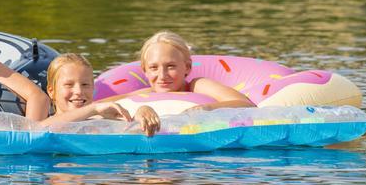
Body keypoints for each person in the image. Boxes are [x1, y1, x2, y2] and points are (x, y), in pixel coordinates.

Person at [104, 31, 255, 112]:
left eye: (171, 66)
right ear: (145, 71)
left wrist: (205, 108)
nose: (162, 76)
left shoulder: (198, 86)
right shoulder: (145, 95)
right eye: (154, 68)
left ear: (187, 68)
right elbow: (96, 106)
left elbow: (246, 104)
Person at [41, 53, 161, 136]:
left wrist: (143, 111)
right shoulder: (47, 124)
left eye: (85, 85)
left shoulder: (102, 121)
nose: (78, 91)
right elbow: (40, 129)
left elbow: (133, 130)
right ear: (51, 91)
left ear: (93, 88)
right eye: (69, 84)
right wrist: (94, 108)